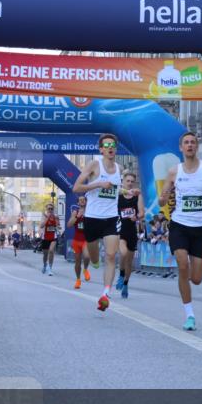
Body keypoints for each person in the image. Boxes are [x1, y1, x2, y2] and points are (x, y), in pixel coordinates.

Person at [158, 131, 202, 331]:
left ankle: (185, 282)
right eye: (186, 143)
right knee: (182, 265)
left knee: (195, 279)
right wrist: (163, 197)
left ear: (197, 147)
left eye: (193, 142)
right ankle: (189, 315)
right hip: (179, 224)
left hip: (200, 228)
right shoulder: (174, 171)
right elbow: (163, 198)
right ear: (181, 148)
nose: (190, 145)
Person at [72, 133, 123, 312]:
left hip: (111, 218)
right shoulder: (94, 165)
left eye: (113, 145)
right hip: (92, 218)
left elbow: (116, 190)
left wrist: (128, 192)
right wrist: (98, 184)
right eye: (106, 145)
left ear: (115, 149)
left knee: (110, 256)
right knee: (94, 257)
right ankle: (93, 261)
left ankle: (105, 294)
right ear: (101, 149)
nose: (110, 148)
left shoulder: (119, 168)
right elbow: (76, 187)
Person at [116, 170, 144, 299]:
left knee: (129, 262)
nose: (130, 183)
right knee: (123, 253)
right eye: (128, 181)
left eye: (132, 182)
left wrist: (136, 216)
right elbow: (117, 190)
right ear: (123, 181)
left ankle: (126, 284)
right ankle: (121, 275)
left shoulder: (138, 196)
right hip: (121, 229)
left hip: (132, 231)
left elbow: (142, 213)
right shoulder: (119, 194)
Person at [66, 197, 91, 289]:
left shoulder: (90, 211)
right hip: (77, 240)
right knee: (77, 262)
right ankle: (78, 280)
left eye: (84, 200)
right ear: (77, 203)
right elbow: (69, 225)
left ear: (86, 201)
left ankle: (85, 269)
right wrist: (77, 216)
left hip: (86, 239)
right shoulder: (75, 212)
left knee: (87, 256)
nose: (82, 201)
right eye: (80, 200)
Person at [39, 204, 60, 276]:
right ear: (46, 209)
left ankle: (50, 268)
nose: (50, 210)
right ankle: (45, 265)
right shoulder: (44, 216)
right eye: (49, 209)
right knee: (45, 255)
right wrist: (47, 218)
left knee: (51, 251)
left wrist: (57, 226)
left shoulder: (55, 217)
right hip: (45, 237)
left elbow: (58, 226)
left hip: (53, 237)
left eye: (51, 209)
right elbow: (41, 226)